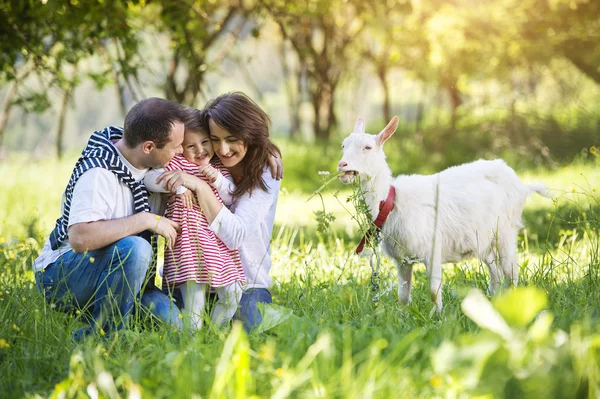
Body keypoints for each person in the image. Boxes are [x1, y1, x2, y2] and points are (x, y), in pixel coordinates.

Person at [33, 97, 187, 340]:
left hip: (122, 276)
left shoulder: (155, 166)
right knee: (135, 247)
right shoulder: (98, 173)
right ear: (148, 147)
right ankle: (105, 336)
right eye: (176, 146)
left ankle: (104, 309)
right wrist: (145, 220)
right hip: (62, 275)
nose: (181, 150)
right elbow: (80, 238)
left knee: (176, 327)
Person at [156, 92, 281, 332]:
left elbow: (234, 235)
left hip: (246, 283)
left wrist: (199, 185)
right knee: (164, 318)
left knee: (242, 329)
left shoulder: (265, 170)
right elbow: (150, 136)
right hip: (194, 272)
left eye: (232, 139)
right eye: (215, 139)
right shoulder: (203, 159)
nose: (223, 149)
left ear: (249, 134)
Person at [143, 108, 245, 330]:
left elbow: (230, 194)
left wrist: (217, 179)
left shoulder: (216, 166)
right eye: (191, 146)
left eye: (205, 142)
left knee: (234, 290)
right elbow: (149, 178)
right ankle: (194, 339)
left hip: (216, 243)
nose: (200, 150)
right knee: (195, 301)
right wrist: (178, 186)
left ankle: (214, 331)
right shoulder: (177, 164)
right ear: (181, 148)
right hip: (188, 242)